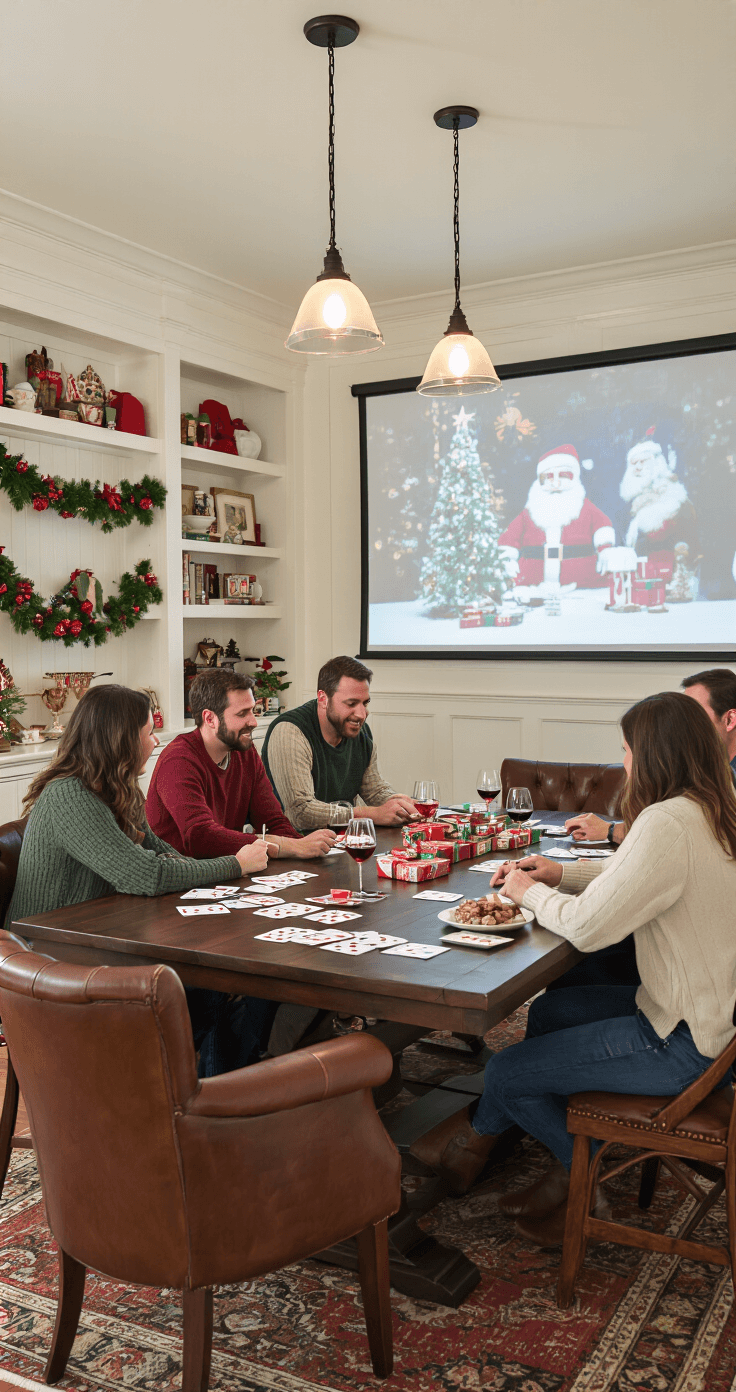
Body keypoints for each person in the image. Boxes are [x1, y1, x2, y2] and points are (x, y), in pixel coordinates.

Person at [411, 692, 736, 1247]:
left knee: (506, 1072)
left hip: (681, 1043)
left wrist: (527, 890)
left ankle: (578, 1173)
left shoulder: (666, 821)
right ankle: (514, 1147)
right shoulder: (712, 805)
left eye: (629, 749)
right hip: (713, 1024)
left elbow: (588, 929)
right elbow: (643, 881)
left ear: (654, 754)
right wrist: (562, 876)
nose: (624, 761)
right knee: (554, 1011)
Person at [8, 683, 276, 1079]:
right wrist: (235, 865)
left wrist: (222, 870)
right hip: (48, 962)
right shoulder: (70, 796)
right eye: (149, 732)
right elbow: (146, 874)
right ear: (122, 740)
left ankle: (213, 1094)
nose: (155, 741)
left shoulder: (116, 789)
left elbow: (163, 854)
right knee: (210, 990)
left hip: (96, 940)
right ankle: (204, 1096)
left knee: (224, 988)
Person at [146, 670, 334, 859]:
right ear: (210, 718)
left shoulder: (245, 751)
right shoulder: (178, 761)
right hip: (184, 879)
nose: (253, 721)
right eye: (242, 713)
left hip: (229, 872)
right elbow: (200, 837)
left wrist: (307, 848)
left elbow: (272, 820)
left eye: (252, 710)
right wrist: (286, 846)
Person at [567, 667, 736, 846]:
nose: (684, 723)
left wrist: (610, 830)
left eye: (695, 714)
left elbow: (687, 835)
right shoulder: (705, 768)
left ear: (730, 720)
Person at [261, 655, 418, 830]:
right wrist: (372, 814)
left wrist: (400, 804)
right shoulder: (290, 731)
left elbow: (373, 789)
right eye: (351, 703)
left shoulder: (360, 731)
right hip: (292, 845)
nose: (361, 714)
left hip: (342, 839)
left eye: (365, 703)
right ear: (323, 699)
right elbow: (300, 813)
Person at [498, 445, 614, 592]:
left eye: (564, 476)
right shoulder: (530, 511)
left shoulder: (584, 506)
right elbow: (510, 537)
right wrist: (507, 558)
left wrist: (605, 549)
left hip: (581, 585)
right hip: (533, 588)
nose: (556, 482)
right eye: (549, 477)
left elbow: (602, 526)